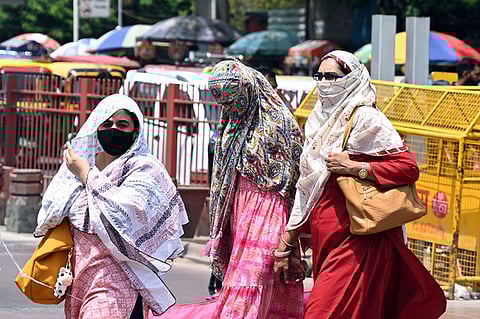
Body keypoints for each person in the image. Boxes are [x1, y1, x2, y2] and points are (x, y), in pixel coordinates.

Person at [273, 50, 447, 319]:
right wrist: (289, 240)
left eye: (332, 77)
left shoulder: (366, 117)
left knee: (323, 312)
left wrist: (357, 167)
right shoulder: (318, 120)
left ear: (351, 78)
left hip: (358, 236)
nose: (324, 83)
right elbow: (307, 188)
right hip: (326, 237)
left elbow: (408, 168)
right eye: (319, 76)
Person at [34, 94, 189, 319]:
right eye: (107, 123)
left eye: (122, 124)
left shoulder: (144, 168)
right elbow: (53, 207)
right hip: (81, 279)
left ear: (136, 130)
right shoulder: (82, 165)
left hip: (120, 280)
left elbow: (125, 213)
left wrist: (87, 175)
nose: (113, 129)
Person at [207, 60, 304, 318]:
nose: (230, 107)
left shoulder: (280, 123)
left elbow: (292, 178)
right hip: (239, 214)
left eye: (234, 99)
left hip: (269, 213)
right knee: (245, 282)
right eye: (224, 103)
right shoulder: (233, 122)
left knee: (254, 280)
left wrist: (290, 241)